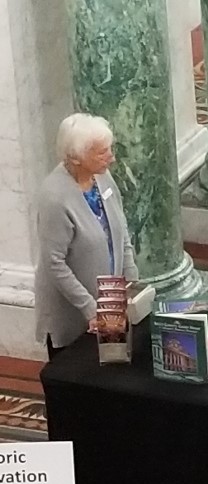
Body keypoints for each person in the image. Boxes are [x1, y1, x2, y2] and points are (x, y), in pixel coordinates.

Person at [35, 113, 139, 359]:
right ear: (75, 157)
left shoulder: (102, 177)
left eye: (109, 149)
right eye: (101, 152)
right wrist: (90, 308)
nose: (111, 158)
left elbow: (120, 229)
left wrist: (132, 280)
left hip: (110, 302)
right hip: (73, 313)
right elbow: (54, 263)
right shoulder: (54, 198)